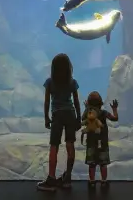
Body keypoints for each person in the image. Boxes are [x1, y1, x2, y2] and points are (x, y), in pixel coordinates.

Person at [37, 53, 82, 192]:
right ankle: (67, 178)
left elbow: (46, 101)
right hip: (70, 113)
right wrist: (79, 118)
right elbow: (76, 101)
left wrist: (46, 117)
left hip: (57, 115)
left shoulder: (50, 82)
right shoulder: (72, 82)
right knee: (70, 144)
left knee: (54, 146)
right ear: (69, 67)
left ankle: (51, 178)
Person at [83, 91, 119, 190]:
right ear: (100, 103)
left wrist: (86, 109)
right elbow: (115, 118)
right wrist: (115, 109)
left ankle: (92, 181)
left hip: (91, 143)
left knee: (92, 164)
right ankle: (103, 181)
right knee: (103, 164)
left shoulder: (88, 113)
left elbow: (82, 119)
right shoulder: (103, 113)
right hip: (102, 143)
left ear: (89, 103)